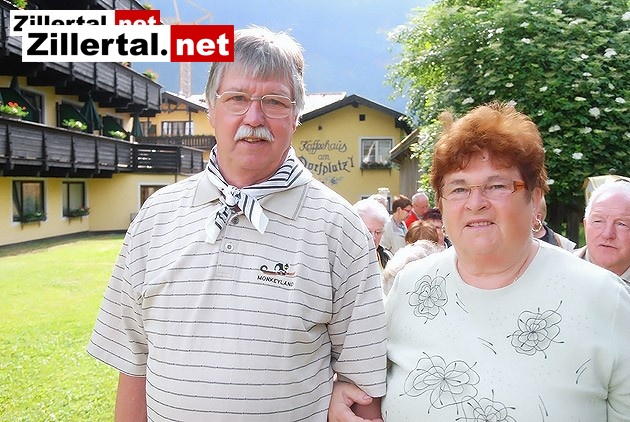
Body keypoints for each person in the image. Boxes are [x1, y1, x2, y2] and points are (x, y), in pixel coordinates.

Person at [87, 26, 387, 421]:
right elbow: (133, 362)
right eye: (237, 98)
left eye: (274, 101)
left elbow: (361, 387)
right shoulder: (156, 217)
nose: (254, 117)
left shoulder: (340, 228)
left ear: (296, 115)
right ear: (210, 110)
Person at [329, 102, 630, 421]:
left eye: (497, 186)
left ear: (534, 198)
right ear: (442, 204)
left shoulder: (604, 299)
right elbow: (364, 389)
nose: (475, 203)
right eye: (458, 188)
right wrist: (340, 395)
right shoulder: (410, 286)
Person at [575, 180, 630, 284]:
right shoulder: (554, 271)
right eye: (598, 221)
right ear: (586, 225)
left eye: (621, 224)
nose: (607, 234)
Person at [354, 198, 394, 270]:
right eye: (368, 232)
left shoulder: (386, 258)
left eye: (378, 232)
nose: (373, 238)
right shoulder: (345, 258)